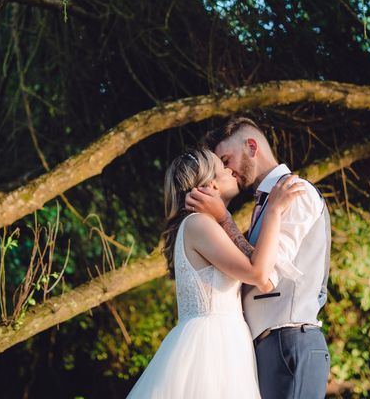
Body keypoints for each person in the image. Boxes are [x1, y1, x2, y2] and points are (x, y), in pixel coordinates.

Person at [127, 148, 305, 399]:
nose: (231, 169)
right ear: (210, 184)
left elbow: (264, 281)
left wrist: (225, 218)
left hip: (226, 339)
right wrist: (274, 211)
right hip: (211, 345)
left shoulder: (206, 226)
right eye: (223, 166)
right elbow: (257, 272)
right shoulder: (198, 224)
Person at [186, 117, 331, 399]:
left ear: (252, 147)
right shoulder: (265, 204)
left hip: (289, 343)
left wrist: (224, 219)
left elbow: (266, 274)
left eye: (227, 160)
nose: (226, 171)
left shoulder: (294, 193)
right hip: (269, 348)